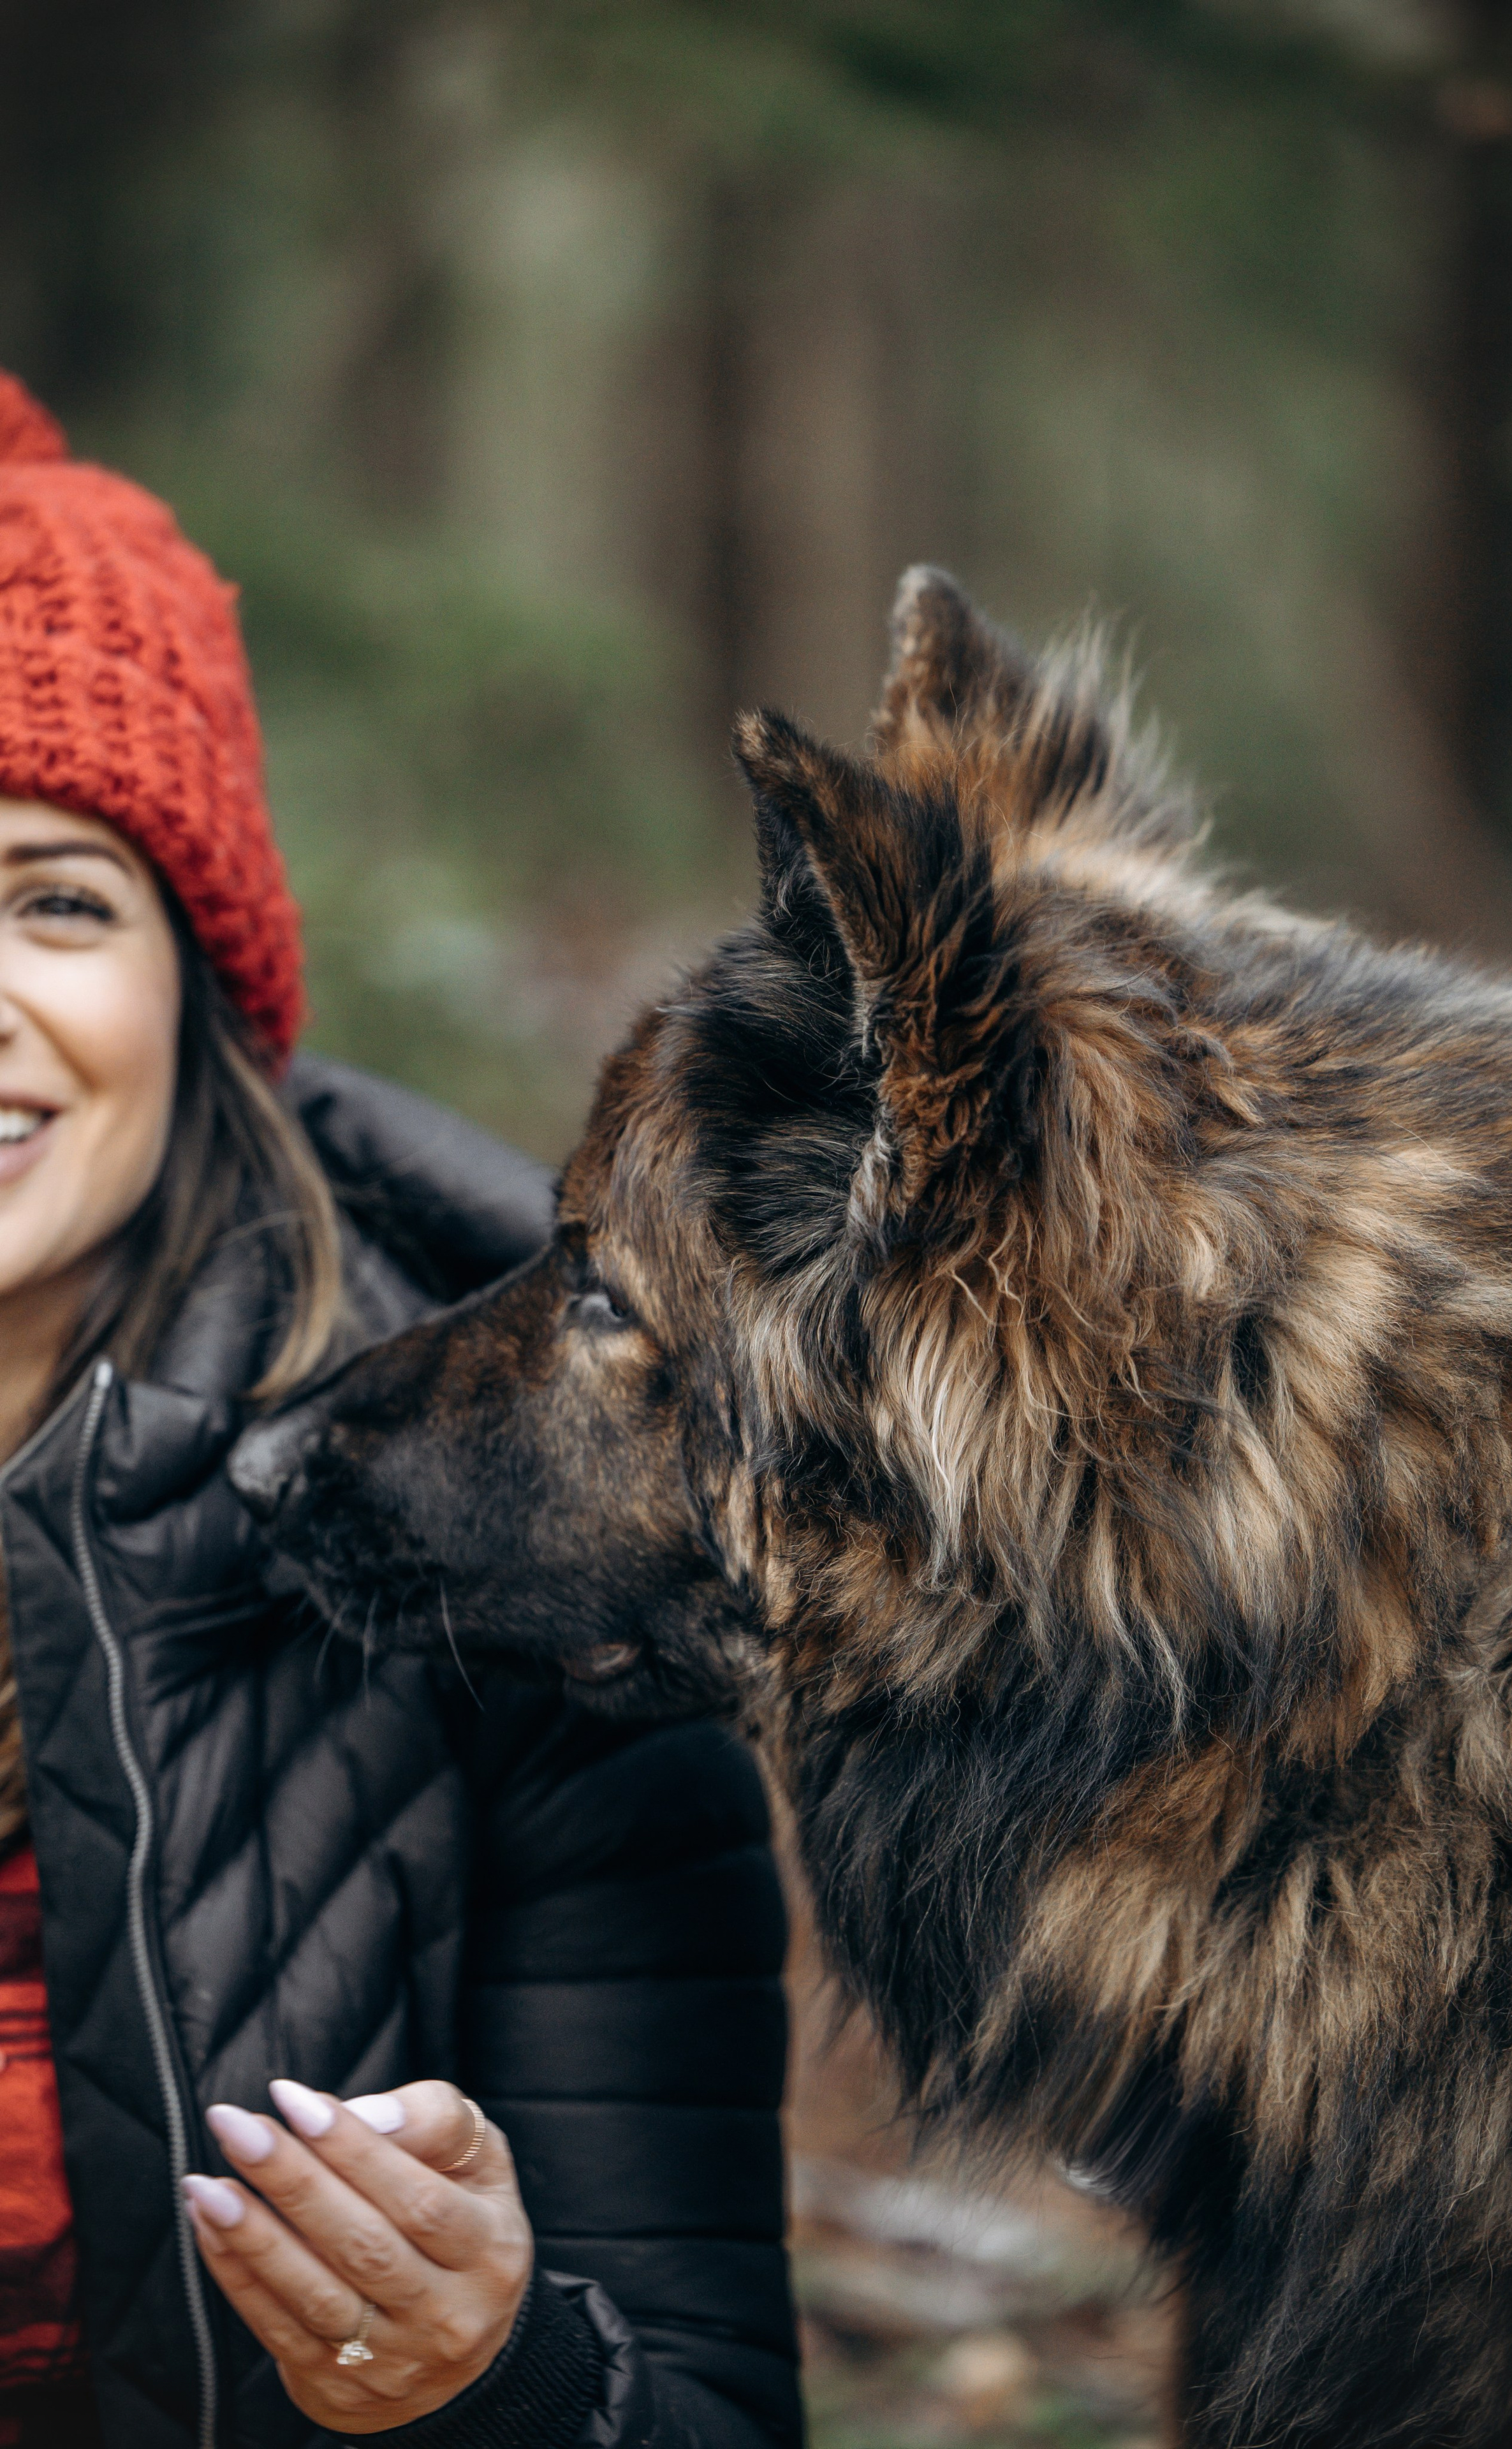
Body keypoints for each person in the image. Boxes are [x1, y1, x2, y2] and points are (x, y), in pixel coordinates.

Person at [0, 370, 800, 2449]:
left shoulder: (507, 1543)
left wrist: (486, 2372)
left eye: (52, 899)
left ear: (202, 977)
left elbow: (702, 2415)